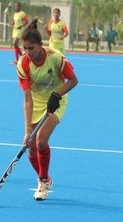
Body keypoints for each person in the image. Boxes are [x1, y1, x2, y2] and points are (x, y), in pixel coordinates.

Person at [16, 19, 78, 201]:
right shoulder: (23, 64)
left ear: (40, 45)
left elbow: (74, 80)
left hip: (57, 100)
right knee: (31, 148)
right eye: (25, 48)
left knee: (41, 141)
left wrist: (57, 95)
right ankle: (45, 177)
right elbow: (27, 99)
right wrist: (27, 131)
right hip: (36, 102)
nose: (28, 52)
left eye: (31, 48)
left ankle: (42, 182)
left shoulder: (56, 58)